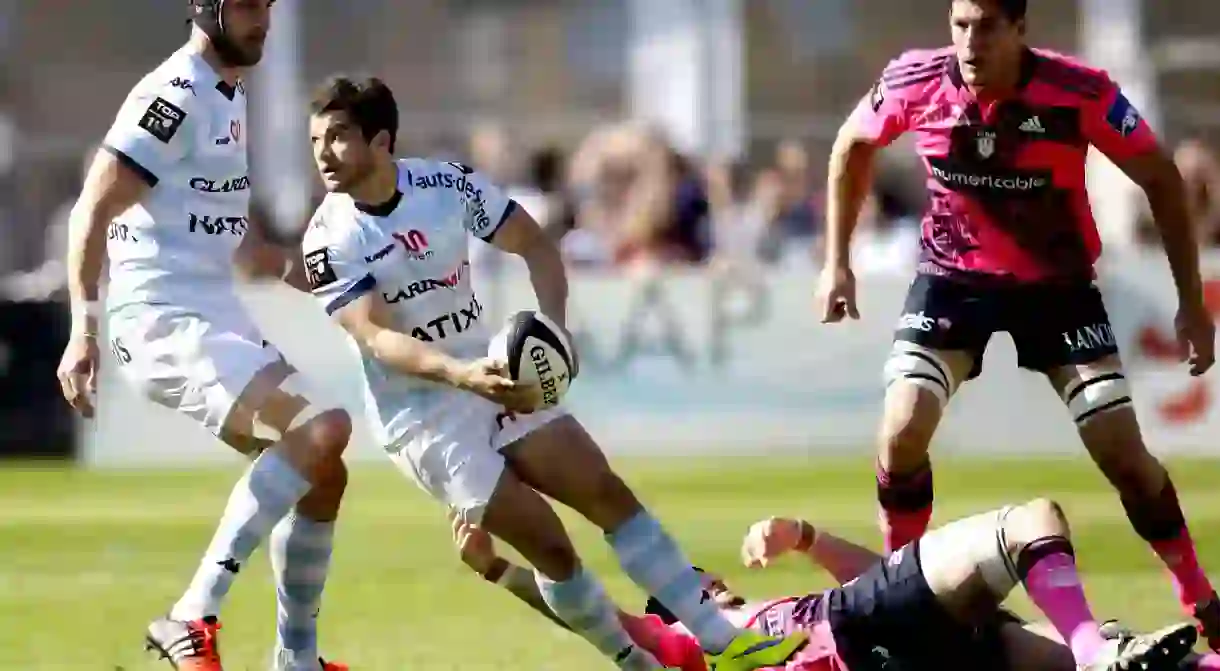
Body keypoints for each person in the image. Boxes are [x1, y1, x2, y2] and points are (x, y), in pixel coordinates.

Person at [299, 75, 807, 671]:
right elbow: (376, 336)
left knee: (605, 492)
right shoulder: (327, 239)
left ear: (381, 140)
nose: (323, 155)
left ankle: (724, 644)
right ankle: (637, 661)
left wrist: (556, 327)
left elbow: (535, 244)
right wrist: (460, 375)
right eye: (315, 141)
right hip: (423, 418)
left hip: (494, 375)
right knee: (552, 549)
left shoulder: (443, 184)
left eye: (336, 137)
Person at [813, 0, 1220, 649]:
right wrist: (835, 260)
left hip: (1056, 287)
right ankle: (905, 598)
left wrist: (1191, 302)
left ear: (1020, 29)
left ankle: (1199, 595)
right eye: (960, 24)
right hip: (953, 277)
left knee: (1123, 453)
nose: (970, 42)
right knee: (901, 430)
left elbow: (1160, 178)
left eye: (987, 26)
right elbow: (851, 145)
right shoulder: (916, 79)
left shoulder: (1080, 92)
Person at [56, 2, 350, 670]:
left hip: (214, 312)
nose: (263, 19)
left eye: (268, 4)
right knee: (322, 429)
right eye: (246, 5)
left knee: (323, 473)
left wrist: (318, 276)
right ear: (205, 7)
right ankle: (191, 614)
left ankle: (296, 658)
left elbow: (223, 231)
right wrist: (84, 328)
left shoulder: (228, 94)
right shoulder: (175, 92)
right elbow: (92, 207)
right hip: (161, 317)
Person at [455, 498, 1203, 671]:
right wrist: (499, 568)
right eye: (688, 583)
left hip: (907, 636)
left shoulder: (763, 608)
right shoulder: (687, 647)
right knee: (1030, 521)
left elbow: (886, 576)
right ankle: (1095, 650)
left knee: (1117, 655)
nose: (705, 578)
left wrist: (807, 538)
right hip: (857, 634)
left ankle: (1102, 651)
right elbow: (589, 612)